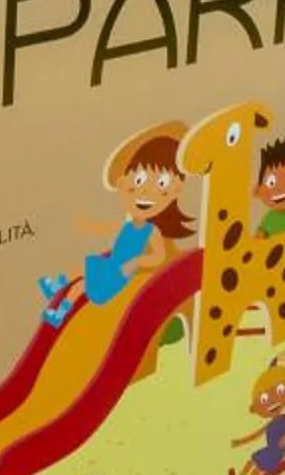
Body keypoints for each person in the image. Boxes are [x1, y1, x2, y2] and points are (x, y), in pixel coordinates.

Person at [41, 121, 191, 327]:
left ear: (175, 190)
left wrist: (137, 262)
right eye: (138, 181)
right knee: (82, 283)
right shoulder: (129, 226)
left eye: (161, 184)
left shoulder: (151, 231)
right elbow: (107, 228)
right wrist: (87, 226)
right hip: (111, 267)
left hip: (119, 275)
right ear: (123, 183)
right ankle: (60, 311)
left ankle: (58, 284)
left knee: (86, 270)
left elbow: (158, 255)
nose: (146, 192)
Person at [229, 350, 285, 475]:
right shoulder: (270, 425)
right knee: (251, 460)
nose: (272, 402)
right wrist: (239, 442)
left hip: (276, 453)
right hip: (270, 451)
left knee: (256, 469)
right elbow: (255, 435)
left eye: (280, 390)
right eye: (264, 400)